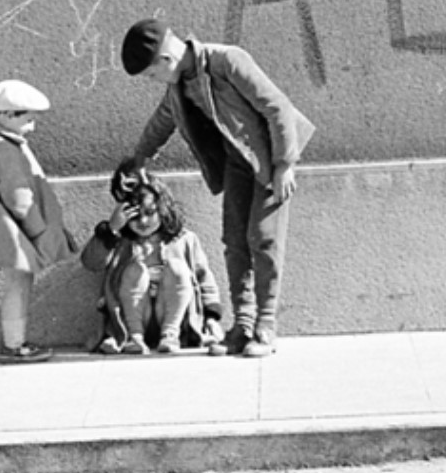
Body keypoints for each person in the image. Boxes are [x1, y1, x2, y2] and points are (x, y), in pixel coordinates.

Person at [120, 19, 314, 358]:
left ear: (166, 59)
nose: (155, 81)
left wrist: (285, 165)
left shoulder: (227, 61)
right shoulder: (179, 86)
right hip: (237, 163)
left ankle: (266, 327)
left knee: (264, 238)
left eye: (152, 74)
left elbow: (277, 106)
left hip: (267, 160)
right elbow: (162, 120)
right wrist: (139, 159)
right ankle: (242, 325)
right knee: (235, 241)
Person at [0, 80, 79, 364]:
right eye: (28, 118)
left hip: (7, 231)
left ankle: (16, 343)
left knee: (18, 284)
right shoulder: (6, 149)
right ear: (7, 115)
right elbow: (19, 199)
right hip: (15, 234)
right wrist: (39, 232)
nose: (33, 124)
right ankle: (15, 345)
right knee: (18, 285)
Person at [82, 164, 225, 355]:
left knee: (177, 268)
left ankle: (170, 336)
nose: (143, 222)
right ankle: (135, 339)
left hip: (175, 317)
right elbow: (91, 263)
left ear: (163, 209)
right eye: (135, 216)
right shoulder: (120, 242)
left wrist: (211, 317)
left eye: (150, 213)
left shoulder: (184, 239)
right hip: (131, 319)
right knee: (135, 270)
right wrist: (111, 231)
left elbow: (204, 279)